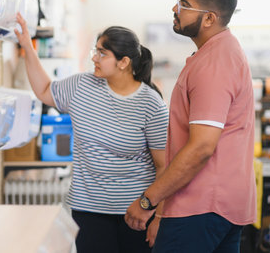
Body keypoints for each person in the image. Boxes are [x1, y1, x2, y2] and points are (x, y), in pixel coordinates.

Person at [124, 0, 256, 253]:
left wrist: (148, 201)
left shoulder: (214, 64)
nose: (175, 9)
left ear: (209, 18)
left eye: (184, 4)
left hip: (201, 208)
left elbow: (201, 148)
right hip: (220, 206)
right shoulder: (221, 52)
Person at [15, 14, 169, 253]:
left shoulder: (151, 104)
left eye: (102, 54)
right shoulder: (81, 86)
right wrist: (27, 45)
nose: (94, 58)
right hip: (88, 210)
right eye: (95, 51)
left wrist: (158, 216)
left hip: (136, 212)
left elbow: (164, 166)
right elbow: (45, 91)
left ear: (123, 62)